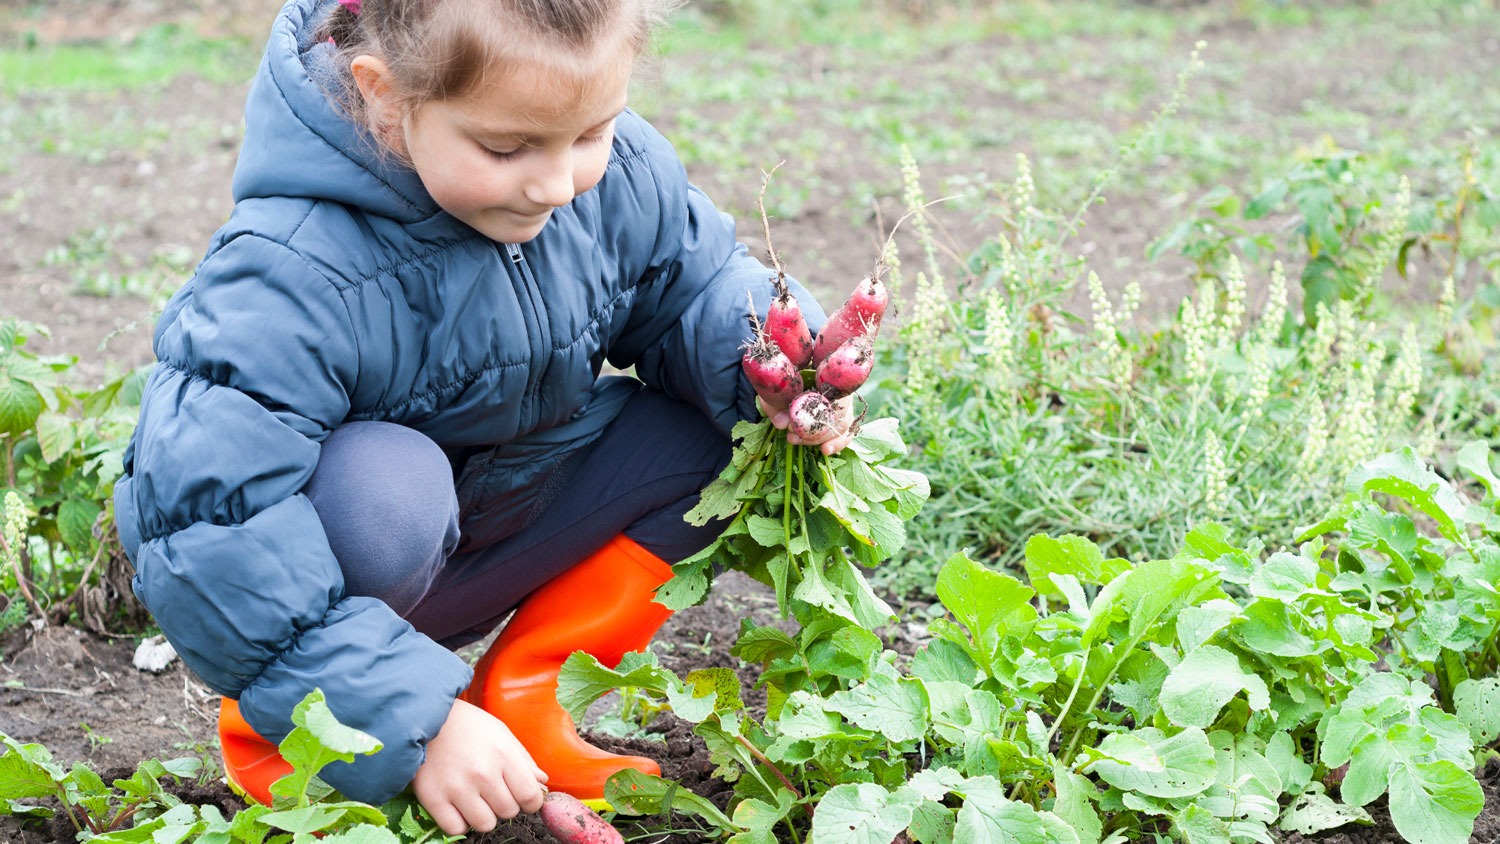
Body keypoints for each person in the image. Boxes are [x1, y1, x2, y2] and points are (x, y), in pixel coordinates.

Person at [111, 0, 854, 835]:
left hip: (503, 512)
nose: (555, 183)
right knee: (385, 490)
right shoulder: (288, 270)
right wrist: (414, 720)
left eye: (588, 134)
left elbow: (699, 285)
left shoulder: (615, 177)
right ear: (385, 95)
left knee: (715, 430)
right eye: (505, 149)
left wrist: (776, 374)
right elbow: (210, 525)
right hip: (350, 571)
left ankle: (523, 696)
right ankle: (316, 734)